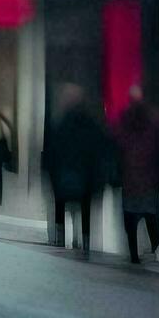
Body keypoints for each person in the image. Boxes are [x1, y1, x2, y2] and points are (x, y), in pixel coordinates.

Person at [44, 84, 109, 257]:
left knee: (60, 205)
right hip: (85, 177)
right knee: (85, 209)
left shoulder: (60, 124)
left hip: (65, 175)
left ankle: (59, 239)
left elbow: (53, 153)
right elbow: (99, 151)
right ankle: (85, 241)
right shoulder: (91, 125)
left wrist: (51, 174)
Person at [112, 87, 159, 265]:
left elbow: (117, 145)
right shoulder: (157, 120)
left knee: (131, 218)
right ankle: (157, 252)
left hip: (130, 178)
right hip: (150, 177)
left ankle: (134, 255)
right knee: (151, 216)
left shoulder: (124, 120)